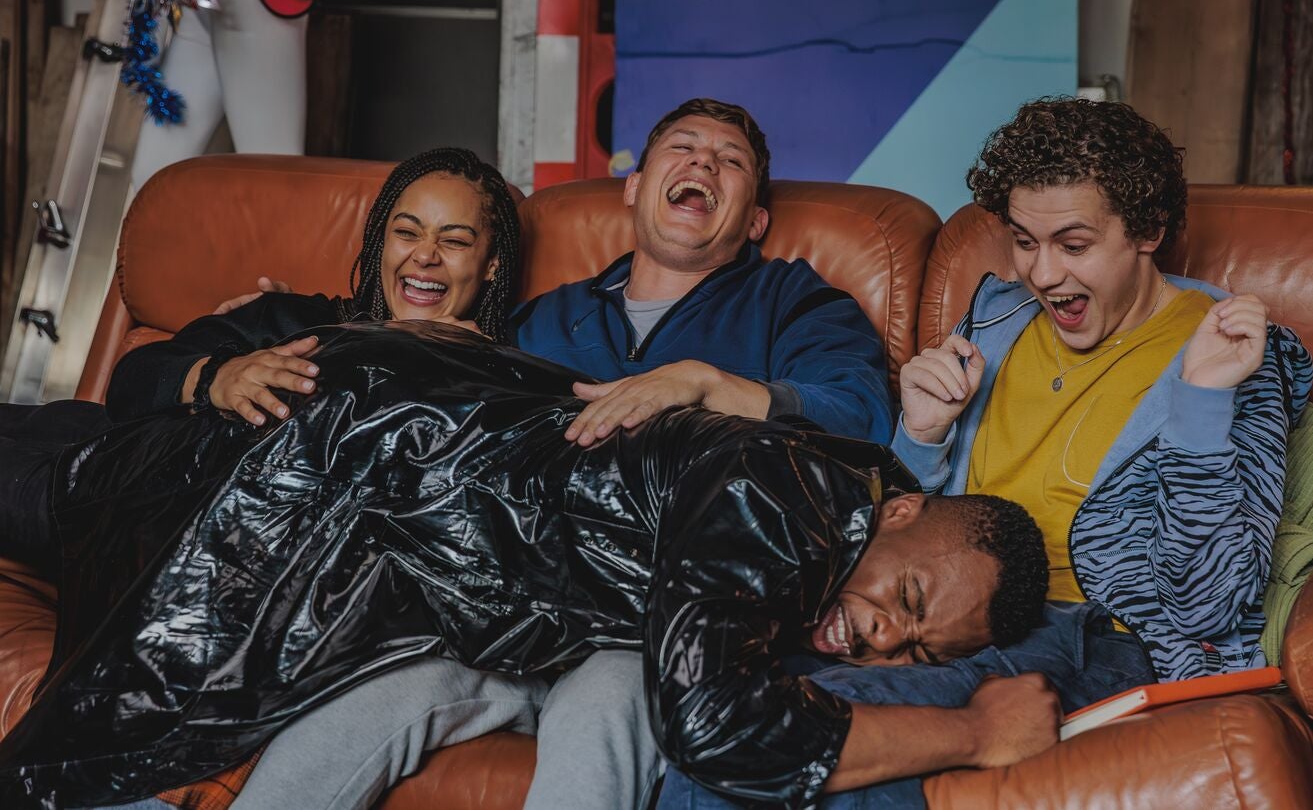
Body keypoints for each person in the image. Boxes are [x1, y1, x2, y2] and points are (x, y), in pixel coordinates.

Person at [0, 320, 1056, 808]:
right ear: (899, 507)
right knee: (73, 511)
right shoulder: (784, 501)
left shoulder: (831, 502)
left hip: (350, 462)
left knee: (63, 457)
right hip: (306, 473)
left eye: (911, 645)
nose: (880, 634)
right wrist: (970, 731)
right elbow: (719, 725)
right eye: (903, 598)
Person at [223, 98, 898, 810]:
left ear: (755, 219)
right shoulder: (540, 317)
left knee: (598, 728)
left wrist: (704, 384)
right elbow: (422, 352)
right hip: (493, 621)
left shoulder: (793, 300)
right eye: (682, 147)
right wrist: (276, 317)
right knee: (348, 722)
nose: (702, 162)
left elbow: (859, 416)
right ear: (634, 188)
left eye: (729, 160)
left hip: (644, 629)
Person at [657, 97, 1313, 808]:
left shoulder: (1229, 353)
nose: (1043, 273)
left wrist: (1201, 401)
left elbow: (1205, 605)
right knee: (715, 697)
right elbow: (908, 527)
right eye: (1024, 241)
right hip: (946, 613)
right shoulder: (993, 318)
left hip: (1089, 633)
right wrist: (922, 433)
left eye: (1072, 243)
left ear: (1147, 230)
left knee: (766, 733)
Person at [0, 145, 521, 577]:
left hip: (100, 500)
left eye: (454, 241)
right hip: (88, 434)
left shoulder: (495, 380)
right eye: (406, 233)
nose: (424, 256)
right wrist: (217, 377)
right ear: (382, 243)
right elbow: (131, 380)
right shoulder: (298, 318)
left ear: (492, 264)